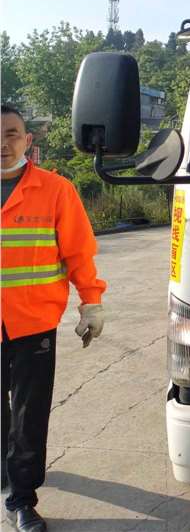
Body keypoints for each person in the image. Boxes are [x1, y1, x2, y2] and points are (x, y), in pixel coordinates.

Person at [1, 104, 106, 532]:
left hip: (33, 325)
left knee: (29, 415)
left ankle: (22, 499)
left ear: (28, 141)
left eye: (11, 133)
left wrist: (91, 302)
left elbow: (79, 252)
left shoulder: (55, 190)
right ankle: (6, 470)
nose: (3, 143)